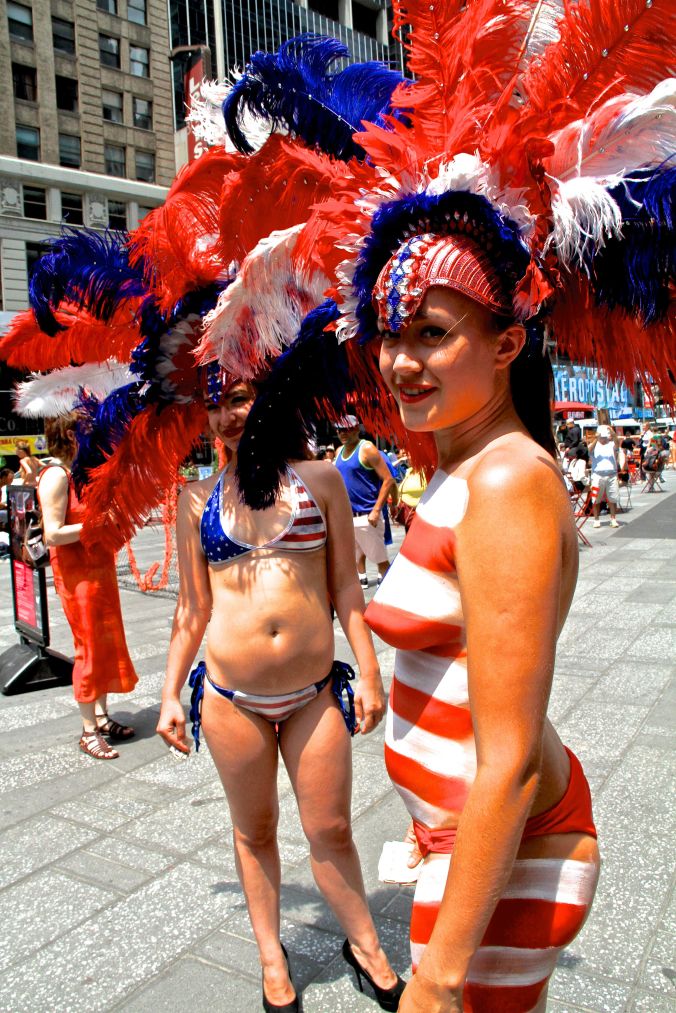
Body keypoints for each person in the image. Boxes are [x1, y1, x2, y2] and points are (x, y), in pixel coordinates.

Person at [156, 376, 404, 1013]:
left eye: (239, 397)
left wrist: (370, 671)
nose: (227, 415)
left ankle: (366, 948)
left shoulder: (319, 481)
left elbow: (346, 587)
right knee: (255, 830)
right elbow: (192, 607)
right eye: (214, 403)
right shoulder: (195, 498)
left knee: (331, 828)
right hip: (230, 697)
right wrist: (170, 694)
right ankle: (272, 955)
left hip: (313, 694)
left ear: (268, 397)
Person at [37, 413, 138, 758]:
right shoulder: (56, 475)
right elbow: (52, 534)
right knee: (88, 648)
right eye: (90, 431)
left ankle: (101, 716)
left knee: (105, 643)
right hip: (78, 577)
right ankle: (88, 730)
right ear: (70, 434)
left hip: (99, 570)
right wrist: (99, 524)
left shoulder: (80, 472)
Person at [334, 416, 397, 588]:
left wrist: (376, 510)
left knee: (380, 560)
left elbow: (388, 479)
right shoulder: (339, 451)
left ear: (356, 429)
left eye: (346, 429)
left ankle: (391, 592)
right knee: (355, 559)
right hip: (347, 518)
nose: (342, 433)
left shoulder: (367, 448)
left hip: (366, 515)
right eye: (339, 430)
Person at [589, 425, 620, 528]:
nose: (603, 439)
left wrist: (613, 434)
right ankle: (596, 519)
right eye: (602, 437)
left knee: (613, 498)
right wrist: (595, 438)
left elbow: (617, 444)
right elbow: (589, 450)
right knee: (595, 498)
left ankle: (613, 519)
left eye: (605, 437)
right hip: (597, 475)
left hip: (611, 474)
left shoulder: (611, 444)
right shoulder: (595, 445)